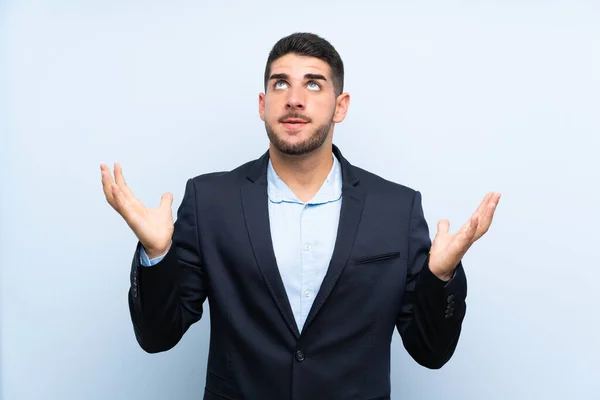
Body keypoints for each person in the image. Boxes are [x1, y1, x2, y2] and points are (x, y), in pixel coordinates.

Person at [101, 32, 501, 400]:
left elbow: (430, 351)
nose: (294, 99)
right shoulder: (210, 202)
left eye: (313, 84)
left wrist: (441, 278)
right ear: (263, 105)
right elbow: (157, 336)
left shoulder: (396, 209)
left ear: (340, 106)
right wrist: (157, 255)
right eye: (280, 83)